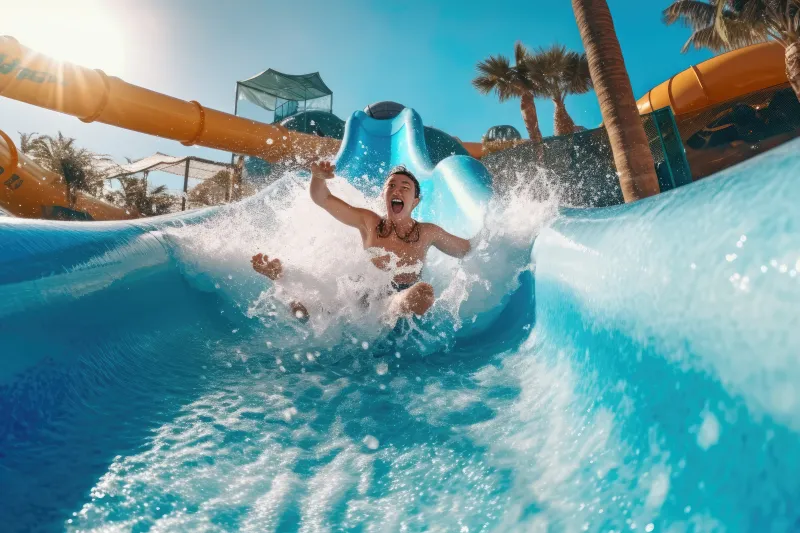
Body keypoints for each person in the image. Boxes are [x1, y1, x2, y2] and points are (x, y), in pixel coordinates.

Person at [252, 161, 471, 320]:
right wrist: (318, 177)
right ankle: (283, 280)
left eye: (405, 188)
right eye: (391, 186)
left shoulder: (427, 232)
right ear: (383, 196)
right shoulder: (370, 223)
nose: (397, 190)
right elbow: (324, 199)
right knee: (303, 312)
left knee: (410, 298)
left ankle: (403, 301)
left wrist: (490, 235)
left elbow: (466, 250)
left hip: (400, 292)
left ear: (415, 202)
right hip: (365, 291)